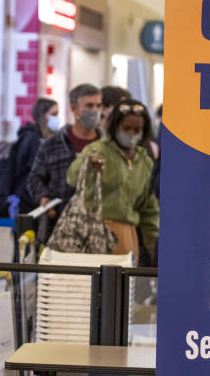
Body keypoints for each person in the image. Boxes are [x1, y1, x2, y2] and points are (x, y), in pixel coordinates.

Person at [67, 99, 159, 259]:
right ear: (115, 126)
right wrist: (88, 164)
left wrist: (155, 247)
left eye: (137, 129)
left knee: (125, 284)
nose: (131, 133)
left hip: (128, 237)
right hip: (94, 233)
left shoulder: (145, 161)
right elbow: (72, 178)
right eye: (127, 128)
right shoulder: (97, 150)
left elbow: (149, 210)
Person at [27, 84, 102, 234]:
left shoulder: (107, 146)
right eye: (89, 105)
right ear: (74, 109)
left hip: (98, 226)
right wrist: (44, 197)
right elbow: (34, 178)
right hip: (59, 226)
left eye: (98, 105)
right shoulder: (53, 145)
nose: (95, 111)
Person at [10, 97, 59, 214]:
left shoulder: (46, 138)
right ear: (42, 115)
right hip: (28, 202)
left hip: (38, 200)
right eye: (53, 114)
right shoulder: (31, 139)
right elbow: (33, 173)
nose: (56, 118)